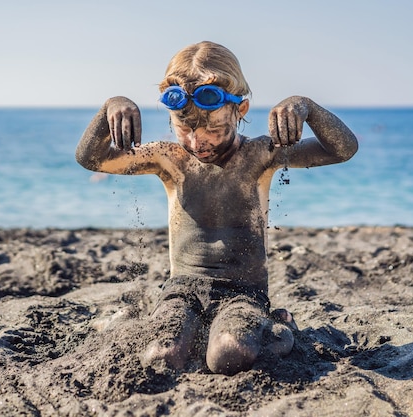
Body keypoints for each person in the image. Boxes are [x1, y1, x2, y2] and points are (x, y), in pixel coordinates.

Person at [76, 41, 358, 375]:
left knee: (227, 356)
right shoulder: (170, 159)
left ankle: (280, 329)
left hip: (243, 292)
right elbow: (91, 158)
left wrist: (305, 106)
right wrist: (111, 106)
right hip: (182, 290)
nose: (199, 142)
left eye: (213, 128)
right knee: (161, 355)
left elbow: (343, 149)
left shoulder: (261, 155)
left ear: (241, 110)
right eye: (185, 129)